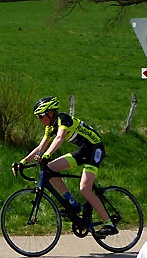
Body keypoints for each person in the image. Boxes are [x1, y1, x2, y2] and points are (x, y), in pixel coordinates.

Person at [14, 96, 118, 237]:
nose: (39, 120)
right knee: (50, 169)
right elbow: (40, 147)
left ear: (50, 113)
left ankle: (109, 224)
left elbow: (60, 138)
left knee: (85, 189)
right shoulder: (50, 127)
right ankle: (72, 203)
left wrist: (48, 154)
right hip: (83, 150)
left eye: (40, 116)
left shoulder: (63, 119)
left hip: (95, 149)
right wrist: (23, 162)